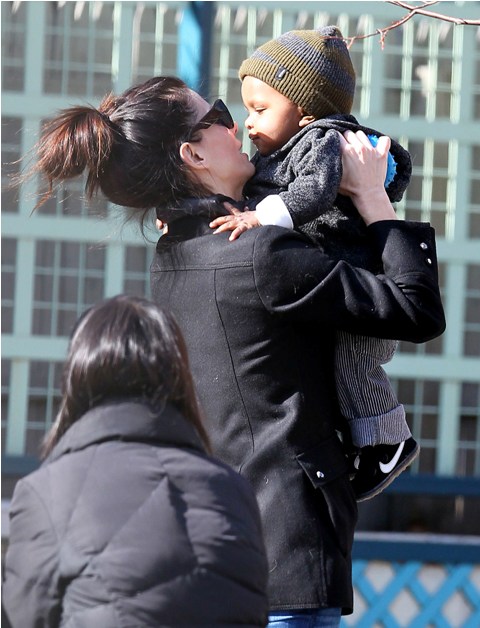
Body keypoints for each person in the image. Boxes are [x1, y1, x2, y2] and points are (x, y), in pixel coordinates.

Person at [19, 76, 445, 627]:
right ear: (193, 153)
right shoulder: (260, 256)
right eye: (219, 114)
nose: (237, 125)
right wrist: (371, 197)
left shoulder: (174, 257)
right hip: (292, 553)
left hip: (224, 553)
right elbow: (414, 310)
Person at [209, 26, 416, 502]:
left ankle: (388, 441)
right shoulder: (277, 152)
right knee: (337, 373)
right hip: (331, 285)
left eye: (261, 109)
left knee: (356, 367)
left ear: (305, 110)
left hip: (361, 286)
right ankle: (362, 439)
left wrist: (261, 217)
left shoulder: (324, 140)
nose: (249, 122)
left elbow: (314, 191)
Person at [2, 295, 269, 628]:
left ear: (77, 379)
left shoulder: (45, 493)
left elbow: (25, 616)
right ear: (181, 379)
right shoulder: (234, 490)